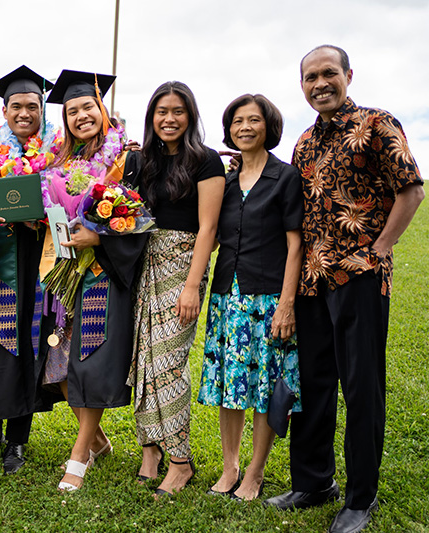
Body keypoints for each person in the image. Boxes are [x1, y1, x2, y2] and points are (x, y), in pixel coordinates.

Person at [263, 45, 424, 533]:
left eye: (328, 73)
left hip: (359, 276)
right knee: (312, 385)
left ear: (348, 75)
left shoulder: (377, 124)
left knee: (360, 386)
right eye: (310, 77)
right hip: (312, 282)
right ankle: (314, 482)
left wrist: (381, 248)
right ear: (302, 85)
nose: (320, 83)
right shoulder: (305, 142)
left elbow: (411, 188)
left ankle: (360, 496)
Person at [39, 70, 146, 491]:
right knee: (58, 363)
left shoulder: (127, 159)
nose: (81, 115)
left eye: (88, 107)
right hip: (63, 270)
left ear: (103, 110)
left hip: (102, 271)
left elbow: (137, 218)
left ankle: (78, 455)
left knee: (89, 358)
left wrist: (98, 235)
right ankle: (98, 441)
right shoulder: (59, 165)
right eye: (72, 111)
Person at [197, 94, 302, 501]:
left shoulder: (285, 178)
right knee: (230, 384)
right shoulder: (223, 182)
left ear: (268, 126)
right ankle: (230, 467)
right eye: (238, 120)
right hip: (227, 295)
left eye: (253, 120)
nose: (245, 127)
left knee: (263, 386)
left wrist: (287, 304)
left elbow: (296, 246)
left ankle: (255, 473)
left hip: (268, 298)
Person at [124, 81, 225, 498]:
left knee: (167, 363)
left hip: (182, 263)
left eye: (178, 111)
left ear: (190, 116)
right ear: (151, 116)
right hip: (141, 265)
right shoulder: (138, 161)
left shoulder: (205, 161)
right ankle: (151, 451)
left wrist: (190, 285)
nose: (169, 119)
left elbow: (209, 228)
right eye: (161, 111)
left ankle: (180, 461)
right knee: (144, 360)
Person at [0, 66, 62, 474]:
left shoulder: (58, 155)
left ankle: (17, 442)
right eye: (16, 106)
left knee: (29, 345)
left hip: (38, 265)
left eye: (32, 106)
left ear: (42, 109)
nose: (24, 113)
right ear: (3, 110)